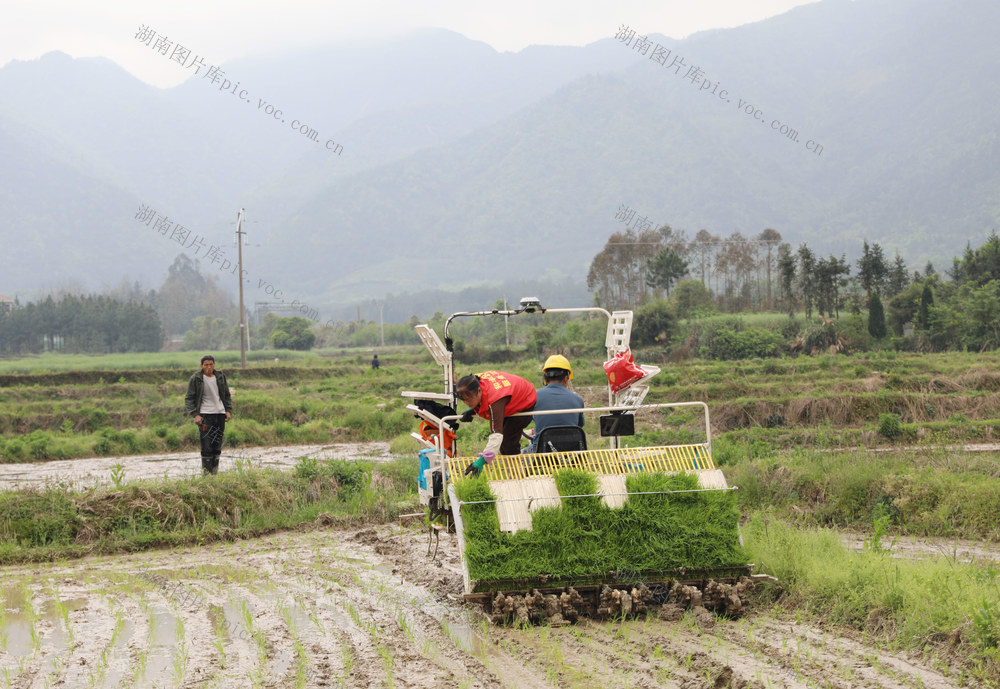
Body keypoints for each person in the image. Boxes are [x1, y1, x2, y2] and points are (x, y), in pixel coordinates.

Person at [455, 371, 536, 457]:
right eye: (463, 400)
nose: (465, 403)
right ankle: (510, 465)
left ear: (479, 390)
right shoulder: (473, 381)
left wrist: (482, 460)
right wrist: (474, 409)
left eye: (468, 399)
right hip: (508, 395)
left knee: (508, 441)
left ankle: (517, 468)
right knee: (504, 444)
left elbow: (496, 434)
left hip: (525, 398)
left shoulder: (494, 400)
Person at [184, 354, 233, 475]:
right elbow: (189, 398)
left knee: (217, 446)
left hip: (220, 414)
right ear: (201, 366)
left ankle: (214, 474)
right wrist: (195, 414)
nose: (209, 367)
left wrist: (228, 410)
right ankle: (207, 476)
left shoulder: (220, 376)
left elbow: (226, 395)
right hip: (205, 416)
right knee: (207, 446)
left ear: (214, 365)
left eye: (211, 364)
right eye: (206, 365)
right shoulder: (196, 378)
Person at [526, 355, 585, 453]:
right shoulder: (578, 399)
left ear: (545, 379)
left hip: (542, 454)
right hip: (571, 455)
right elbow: (580, 424)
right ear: (566, 379)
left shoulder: (534, 397)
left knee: (523, 453)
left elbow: (524, 422)